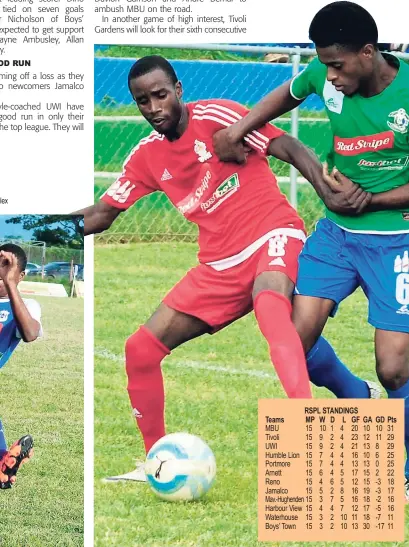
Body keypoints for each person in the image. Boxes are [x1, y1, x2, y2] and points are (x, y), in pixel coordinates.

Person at [82, 54, 378, 482]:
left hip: (271, 233)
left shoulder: (218, 116)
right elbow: (101, 215)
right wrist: (39, 224)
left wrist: (326, 192)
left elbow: (287, 146)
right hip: (218, 265)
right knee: (139, 350)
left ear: (178, 89)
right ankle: (158, 462)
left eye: (161, 95)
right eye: (142, 101)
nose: (154, 108)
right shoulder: (147, 157)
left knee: (272, 308)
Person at [213, 1, 409, 497]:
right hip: (336, 235)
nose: (330, 76)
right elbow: (287, 92)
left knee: (395, 367)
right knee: (291, 343)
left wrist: (373, 200)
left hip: (397, 238)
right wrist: (240, 128)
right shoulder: (326, 78)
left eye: (339, 65)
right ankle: (353, 395)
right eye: (324, 63)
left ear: (369, 52)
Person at [0, 243, 42, 489]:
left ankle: (4, 464)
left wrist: (10, 284)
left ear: (21, 275)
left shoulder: (27, 308)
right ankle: (5, 462)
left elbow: (29, 334)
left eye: (6, 267)